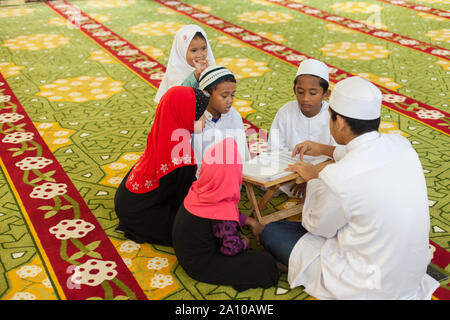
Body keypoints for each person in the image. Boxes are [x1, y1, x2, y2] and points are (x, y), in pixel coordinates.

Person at [259, 76, 440, 299]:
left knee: (271, 232)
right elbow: (360, 151)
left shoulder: (337, 177)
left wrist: (313, 179)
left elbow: (316, 227)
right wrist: (325, 149)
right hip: (409, 274)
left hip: (366, 284)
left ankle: (294, 266)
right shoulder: (401, 145)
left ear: (341, 122)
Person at [172, 137, 279, 292]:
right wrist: (246, 242)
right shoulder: (221, 214)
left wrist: (250, 222)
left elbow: (226, 214)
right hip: (202, 265)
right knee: (264, 263)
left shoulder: (202, 190)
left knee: (240, 235)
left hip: (188, 254)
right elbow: (231, 249)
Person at [114, 86, 209, 245]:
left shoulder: (164, 130)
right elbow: (187, 201)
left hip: (126, 200)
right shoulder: (181, 155)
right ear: (185, 115)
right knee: (197, 232)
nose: (205, 119)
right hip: (139, 212)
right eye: (200, 115)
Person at [268, 59, 335, 198]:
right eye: (300, 92)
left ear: (325, 94)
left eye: (313, 93)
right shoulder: (285, 112)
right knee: (269, 174)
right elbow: (275, 150)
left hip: (322, 173)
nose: (305, 98)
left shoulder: (333, 117)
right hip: (289, 172)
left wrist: (310, 176)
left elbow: (338, 154)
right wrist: (296, 176)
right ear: (294, 90)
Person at [192, 65, 250, 177]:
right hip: (202, 177)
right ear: (206, 93)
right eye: (224, 96)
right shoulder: (195, 116)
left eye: (232, 95)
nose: (230, 101)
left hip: (230, 175)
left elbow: (242, 152)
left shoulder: (234, 116)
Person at [154, 25, 215, 103]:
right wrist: (196, 75)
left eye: (203, 48)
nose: (200, 54)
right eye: (194, 50)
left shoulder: (207, 65)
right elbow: (179, 94)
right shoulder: (175, 70)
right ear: (182, 50)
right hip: (182, 109)